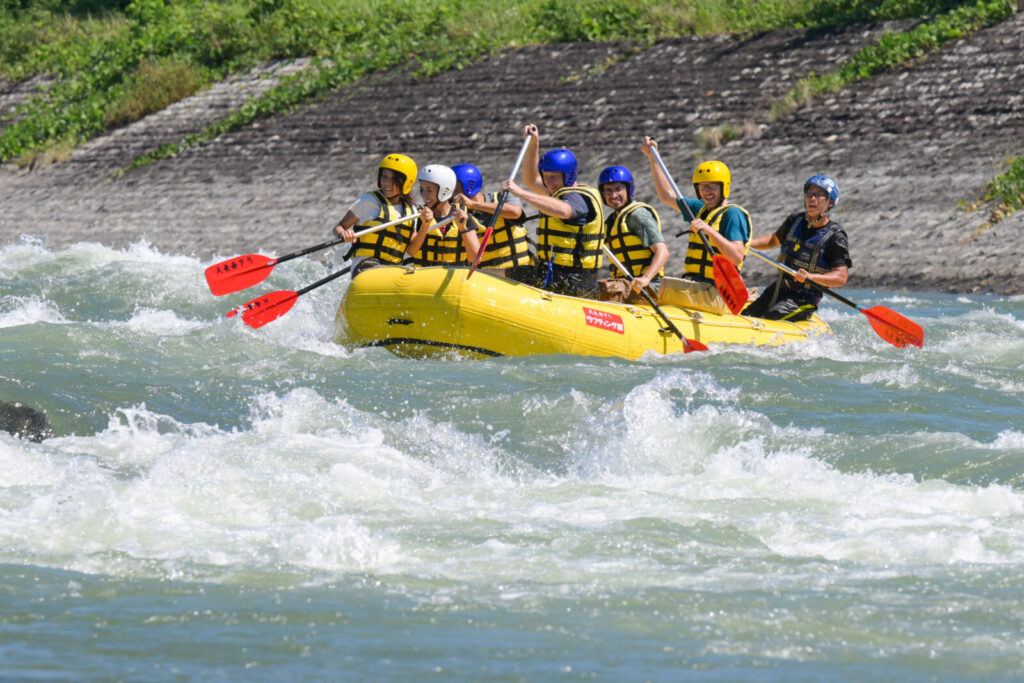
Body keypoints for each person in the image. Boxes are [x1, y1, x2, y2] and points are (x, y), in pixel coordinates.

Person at [641, 137, 751, 312]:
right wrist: (653, 158)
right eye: (702, 187)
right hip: (696, 286)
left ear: (724, 188)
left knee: (653, 286)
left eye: (712, 187)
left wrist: (709, 231)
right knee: (649, 285)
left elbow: (737, 257)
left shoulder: (733, 214)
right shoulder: (700, 209)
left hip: (717, 293)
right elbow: (667, 195)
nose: (706, 192)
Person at [502, 124, 604, 298]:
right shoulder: (557, 192)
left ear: (569, 175)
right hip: (555, 273)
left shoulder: (577, 197)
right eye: (546, 176)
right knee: (509, 272)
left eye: (554, 177)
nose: (549, 182)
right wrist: (534, 143)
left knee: (508, 275)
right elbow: (531, 179)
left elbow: (564, 211)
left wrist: (520, 193)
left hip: (575, 280)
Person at [744, 174, 852, 321]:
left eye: (818, 195)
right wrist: (745, 244)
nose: (812, 198)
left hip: (804, 299)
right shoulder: (794, 220)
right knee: (746, 316)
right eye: (809, 194)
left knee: (769, 318)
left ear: (830, 202)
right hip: (779, 288)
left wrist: (810, 277)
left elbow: (841, 277)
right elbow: (773, 240)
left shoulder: (836, 236)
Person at [333, 153, 420, 277]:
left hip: (394, 269)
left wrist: (426, 225)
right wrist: (343, 233)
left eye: (393, 178)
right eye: (384, 176)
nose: (387, 182)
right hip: (365, 267)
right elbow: (339, 226)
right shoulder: (368, 201)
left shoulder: (412, 212)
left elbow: (411, 251)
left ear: (406, 182)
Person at [596, 164, 670, 304]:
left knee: (601, 291)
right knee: (591, 289)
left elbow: (663, 252)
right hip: (623, 285)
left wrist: (645, 279)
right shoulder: (610, 222)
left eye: (618, 189)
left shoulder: (638, 215)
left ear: (628, 189)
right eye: (608, 190)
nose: (613, 195)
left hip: (648, 287)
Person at [450, 163, 533, 276]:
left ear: (469, 186)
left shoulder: (503, 197)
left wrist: (474, 205)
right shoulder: (458, 213)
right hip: (487, 278)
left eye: (454, 187)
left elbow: (515, 213)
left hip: (518, 274)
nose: (449, 192)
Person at [405, 164, 479, 266]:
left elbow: (476, 259)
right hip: (424, 275)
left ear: (445, 191)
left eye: (429, 190)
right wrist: (425, 226)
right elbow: (411, 252)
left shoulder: (463, 217)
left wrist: (463, 229)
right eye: (422, 189)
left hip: (454, 275)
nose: (424, 195)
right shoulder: (418, 217)